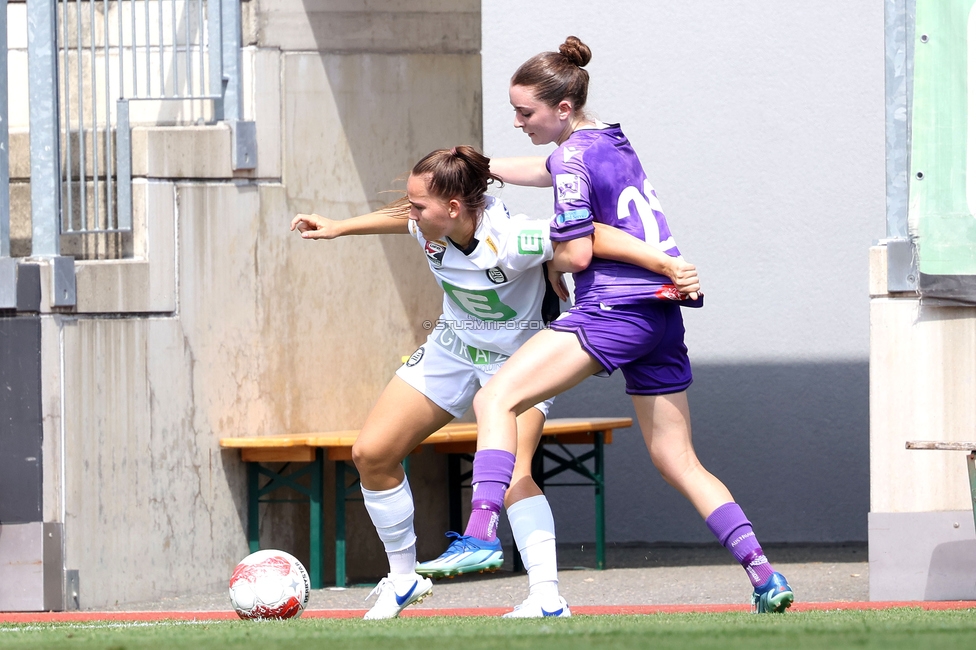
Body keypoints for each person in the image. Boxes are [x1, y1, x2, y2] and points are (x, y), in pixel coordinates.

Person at [451, 37, 794, 614]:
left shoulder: (570, 158)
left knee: (496, 400)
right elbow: (555, 172)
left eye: (525, 112)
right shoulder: (609, 138)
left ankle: (482, 534)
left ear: (561, 109)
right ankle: (765, 576)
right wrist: (482, 169)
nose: (517, 122)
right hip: (661, 315)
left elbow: (579, 252)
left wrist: (556, 266)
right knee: (678, 459)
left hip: (616, 309)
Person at [291, 145, 700, 620]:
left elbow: (592, 235)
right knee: (372, 454)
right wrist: (339, 227)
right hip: (452, 347)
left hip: (517, 360)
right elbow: (399, 214)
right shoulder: (428, 223)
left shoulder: (512, 237)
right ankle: (403, 580)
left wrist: (663, 263)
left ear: (454, 208)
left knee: (512, 476)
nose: (409, 212)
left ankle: (547, 598)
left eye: (418, 205)